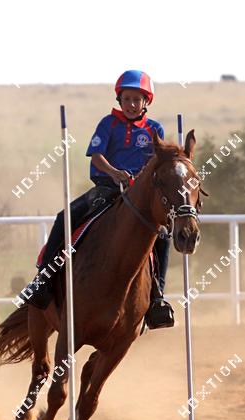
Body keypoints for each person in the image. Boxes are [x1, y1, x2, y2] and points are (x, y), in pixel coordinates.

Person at [22, 69, 174, 329]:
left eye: (137, 99)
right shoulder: (109, 123)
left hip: (141, 196)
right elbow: (96, 156)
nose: (131, 104)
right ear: (119, 99)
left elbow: (157, 163)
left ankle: (157, 297)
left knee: (163, 234)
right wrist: (115, 173)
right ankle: (43, 279)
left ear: (146, 102)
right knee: (65, 217)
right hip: (107, 189)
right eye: (127, 99)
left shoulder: (154, 129)